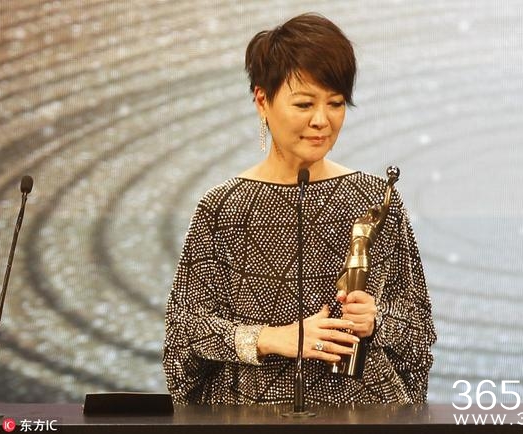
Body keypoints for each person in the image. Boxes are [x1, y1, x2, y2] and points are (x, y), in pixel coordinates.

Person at [163, 12, 436, 405]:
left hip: (369, 413)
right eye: (304, 104)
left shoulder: (377, 199)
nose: (321, 120)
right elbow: (183, 335)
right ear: (262, 100)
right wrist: (271, 338)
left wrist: (376, 321)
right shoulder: (222, 208)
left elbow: (420, 332)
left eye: (336, 103)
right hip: (252, 415)